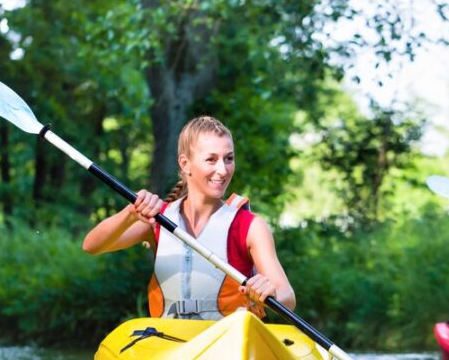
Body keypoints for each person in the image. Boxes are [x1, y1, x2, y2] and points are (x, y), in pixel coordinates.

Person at [82, 115, 295, 320]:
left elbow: (288, 297)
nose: (222, 170)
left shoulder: (249, 226)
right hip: (169, 342)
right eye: (211, 160)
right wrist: (129, 214)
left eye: (228, 159)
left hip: (228, 345)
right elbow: (92, 246)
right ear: (185, 164)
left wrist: (272, 293)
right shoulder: (159, 219)